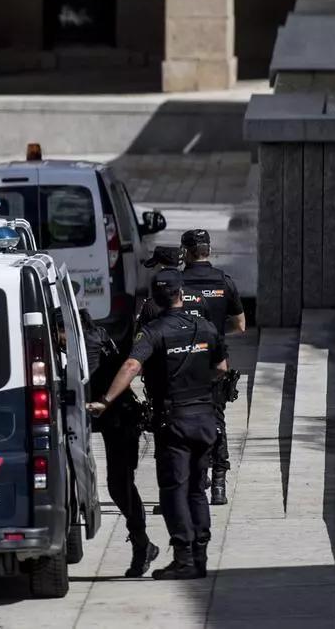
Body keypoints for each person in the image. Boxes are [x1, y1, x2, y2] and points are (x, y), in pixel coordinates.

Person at [89, 270, 226, 580]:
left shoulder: (153, 332)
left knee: (173, 490)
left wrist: (106, 400)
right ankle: (199, 557)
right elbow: (221, 368)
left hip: (174, 421)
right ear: (181, 293)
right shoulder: (204, 327)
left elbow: (131, 366)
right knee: (196, 489)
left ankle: (184, 558)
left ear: (156, 299)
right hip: (204, 418)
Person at [55, 308, 159, 577]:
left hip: (117, 418)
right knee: (119, 485)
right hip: (106, 418)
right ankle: (142, 543)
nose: (58, 341)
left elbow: (79, 385)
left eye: (58, 335)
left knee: (119, 486)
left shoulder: (85, 345)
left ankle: (141, 544)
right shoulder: (94, 337)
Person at [179, 229, 244, 505]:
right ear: (208, 250)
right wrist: (215, 332)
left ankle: (197, 479)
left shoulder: (177, 282)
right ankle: (218, 486)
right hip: (216, 363)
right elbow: (240, 325)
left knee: (184, 422)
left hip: (182, 363)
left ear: (187, 252)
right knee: (216, 421)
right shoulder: (224, 282)